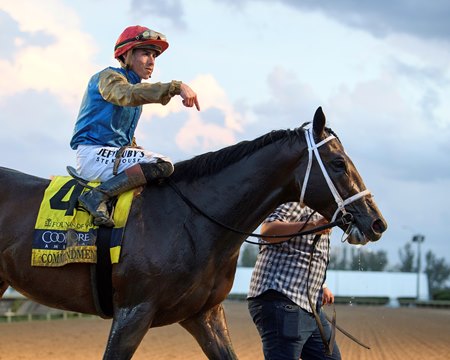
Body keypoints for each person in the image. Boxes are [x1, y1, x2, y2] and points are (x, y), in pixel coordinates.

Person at [70, 25, 200, 227]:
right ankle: (96, 196)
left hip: (110, 155)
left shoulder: (133, 91)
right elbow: (127, 94)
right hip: (93, 155)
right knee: (162, 164)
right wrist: (175, 87)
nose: (151, 61)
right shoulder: (108, 77)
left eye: (155, 56)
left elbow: (124, 135)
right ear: (126, 55)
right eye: (145, 53)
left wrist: (135, 148)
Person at [247, 202, 341, 360]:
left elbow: (305, 253)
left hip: (308, 306)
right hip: (282, 300)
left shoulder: (319, 206)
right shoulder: (298, 199)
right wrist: (312, 225)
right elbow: (268, 230)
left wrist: (321, 286)